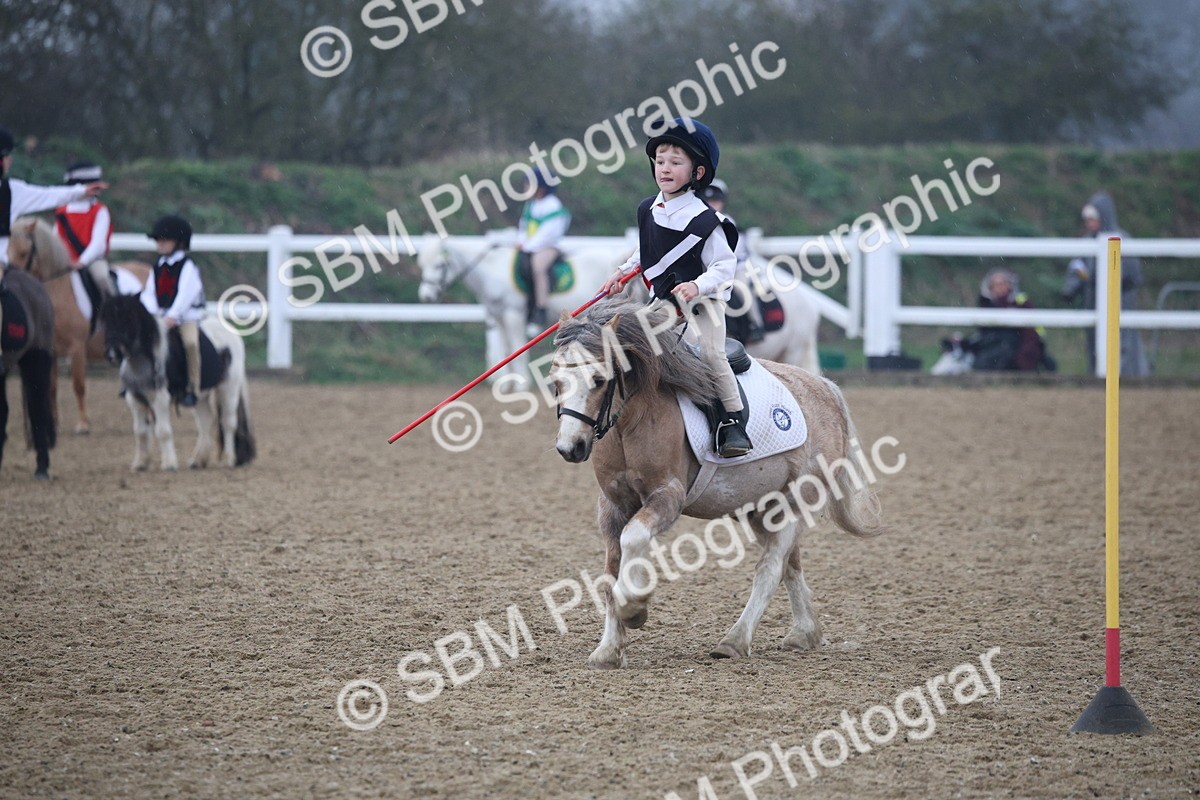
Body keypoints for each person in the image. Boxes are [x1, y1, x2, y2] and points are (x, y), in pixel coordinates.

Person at [600, 118, 751, 458]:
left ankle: (731, 421)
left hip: (705, 305)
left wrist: (697, 286)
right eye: (660, 161)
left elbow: (724, 267)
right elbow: (648, 253)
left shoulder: (708, 221)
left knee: (711, 355)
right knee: (631, 343)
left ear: (697, 172)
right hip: (665, 302)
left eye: (675, 162)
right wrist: (622, 273)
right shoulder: (648, 209)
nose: (664, 168)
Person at [1, 126, 107, 343]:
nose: (10, 161)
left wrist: (79, 192)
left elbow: (47, 195)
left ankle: (107, 320)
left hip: (1, 265)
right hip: (68, 259)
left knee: (102, 277)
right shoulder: (62, 215)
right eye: (7, 156)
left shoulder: (12, 191)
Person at [1064, 191, 1149, 376]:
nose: (1090, 224)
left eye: (1093, 219)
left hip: (1120, 301)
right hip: (1092, 301)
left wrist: (1099, 278)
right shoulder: (1086, 241)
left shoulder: (1122, 239)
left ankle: (1129, 375)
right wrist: (1072, 287)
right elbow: (1076, 267)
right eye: (1087, 220)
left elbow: (1132, 275)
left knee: (1123, 341)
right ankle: (1097, 373)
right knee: (1095, 342)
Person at [141, 215, 205, 406]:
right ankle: (135, 382)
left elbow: (186, 295)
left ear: (178, 242)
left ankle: (193, 387)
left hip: (185, 318)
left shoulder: (188, 267)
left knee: (190, 343)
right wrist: (154, 314)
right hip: (160, 317)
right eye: (157, 239)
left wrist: (172, 316)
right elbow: (149, 294)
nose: (159, 243)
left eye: (164, 239)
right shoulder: (157, 267)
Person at [700, 178, 764, 343]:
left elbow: (730, 254)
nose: (712, 204)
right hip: (708, 269)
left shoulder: (728, 221)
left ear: (722, 202)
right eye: (708, 201)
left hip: (735, 268)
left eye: (715, 201)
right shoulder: (698, 221)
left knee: (743, 289)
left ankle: (754, 324)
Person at [968, 267, 1054, 372]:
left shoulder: (1021, 302)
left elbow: (1031, 331)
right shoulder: (985, 304)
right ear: (990, 287)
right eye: (996, 284)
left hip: (1017, 343)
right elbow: (983, 331)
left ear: (1010, 285)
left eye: (1003, 283)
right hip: (993, 345)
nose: (1000, 287)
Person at [55, 160, 116, 306]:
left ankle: (113, 309)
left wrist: (81, 262)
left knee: (101, 277)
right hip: (66, 262)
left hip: (92, 261)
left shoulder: (99, 210)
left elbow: (98, 244)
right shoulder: (61, 211)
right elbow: (56, 238)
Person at [516, 169, 570, 333]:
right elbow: (524, 225)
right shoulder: (531, 204)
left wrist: (529, 245)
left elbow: (550, 232)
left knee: (538, 267)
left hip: (548, 246)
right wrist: (521, 241)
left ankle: (541, 309)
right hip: (530, 245)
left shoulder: (552, 204)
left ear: (540, 187)